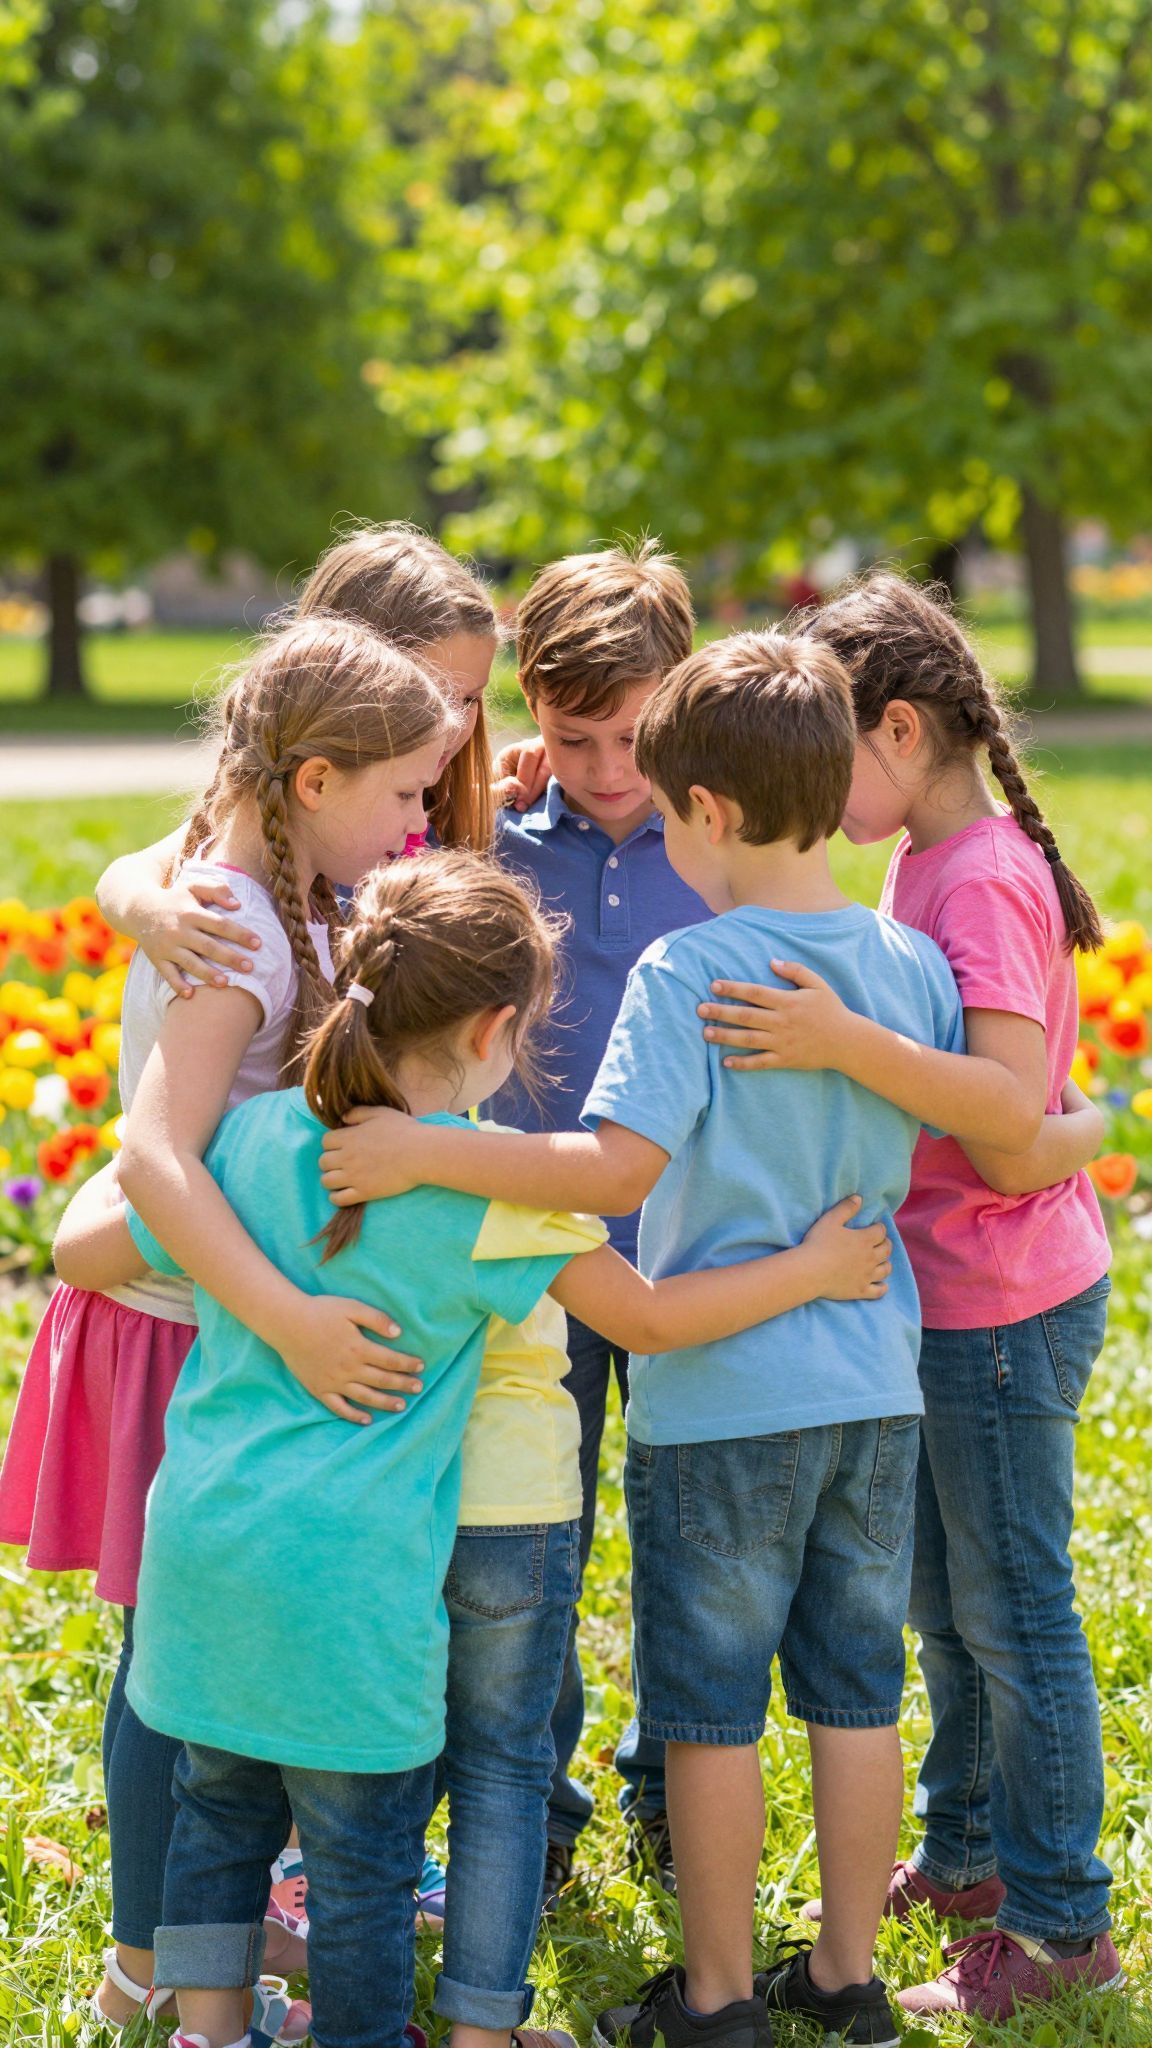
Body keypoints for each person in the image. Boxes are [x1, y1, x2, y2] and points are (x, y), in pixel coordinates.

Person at [122, 850, 893, 2048]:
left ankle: (212, 2030)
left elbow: (110, 1230)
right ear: (495, 1029)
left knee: (213, 1810)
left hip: (205, 1542)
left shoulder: (242, 1138)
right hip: (373, 1558)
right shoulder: (490, 1193)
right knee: (389, 1836)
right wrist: (817, 1267)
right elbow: (640, 1317)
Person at [318, 632, 970, 2048]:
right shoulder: (907, 962)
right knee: (859, 1694)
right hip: (875, 1389)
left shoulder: (691, 969)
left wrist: (443, 1154)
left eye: (668, 807)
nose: (662, 830)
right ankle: (850, 1981)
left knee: (712, 1710)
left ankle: (722, 1999)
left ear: (715, 814)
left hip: (723, 1399)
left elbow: (614, 1176)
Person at [0, 615, 455, 2033]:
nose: (422, 818)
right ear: (313, 779)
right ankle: (146, 1960)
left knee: (194, 1654)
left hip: (205, 1314)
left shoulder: (271, 873)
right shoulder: (250, 919)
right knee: (172, 1670)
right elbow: (155, 1155)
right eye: (403, 793)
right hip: (179, 1323)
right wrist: (293, 1317)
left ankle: (196, 1938)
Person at [700, 572, 1120, 2024]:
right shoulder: (924, 865)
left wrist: (833, 1039)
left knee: (1014, 1613)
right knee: (949, 1604)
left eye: (830, 742)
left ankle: (1065, 1928)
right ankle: (968, 1859)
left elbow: (1009, 1114)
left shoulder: (981, 875)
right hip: (945, 1298)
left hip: (1002, 1305)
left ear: (895, 728)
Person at [488, 539, 706, 1897]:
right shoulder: (496, 832)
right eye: (573, 738)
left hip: (697, 1251)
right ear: (531, 713)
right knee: (532, 1541)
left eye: (634, 735)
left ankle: (674, 1798)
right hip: (529, 1248)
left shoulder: (730, 833)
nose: (609, 767)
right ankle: (545, 1809)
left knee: (688, 1539)